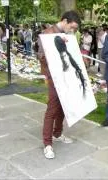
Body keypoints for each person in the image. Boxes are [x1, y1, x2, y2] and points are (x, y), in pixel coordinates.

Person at [37, 10, 81, 159]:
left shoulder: (68, 35)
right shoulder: (47, 34)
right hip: (53, 77)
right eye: (72, 27)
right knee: (52, 108)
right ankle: (47, 144)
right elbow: (41, 57)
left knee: (63, 106)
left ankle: (57, 133)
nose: (73, 30)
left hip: (66, 76)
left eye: (74, 28)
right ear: (64, 21)